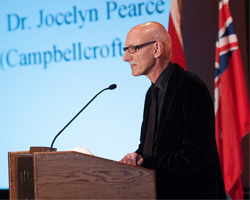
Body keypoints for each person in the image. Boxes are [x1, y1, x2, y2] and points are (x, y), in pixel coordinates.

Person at [119, 22, 226, 200]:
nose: (125, 57)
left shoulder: (190, 86)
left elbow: (198, 153)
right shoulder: (151, 93)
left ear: (156, 49)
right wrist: (136, 157)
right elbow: (154, 149)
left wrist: (146, 163)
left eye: (133, 48)